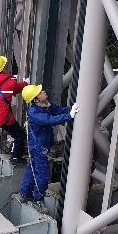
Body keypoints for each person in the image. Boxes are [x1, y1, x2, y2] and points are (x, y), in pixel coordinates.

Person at [19, 84, 79, 213]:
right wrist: (70, 116)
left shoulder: (45, 105)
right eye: (40, 92)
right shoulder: (35, 112)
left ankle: (24, 193)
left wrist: (69, 110)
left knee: (32, 169)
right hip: (38, 146)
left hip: (39, 145)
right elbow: (49, 120)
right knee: (43, 175)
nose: (43, 91)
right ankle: (37, 199)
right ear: (35, 99)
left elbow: (57, 111)